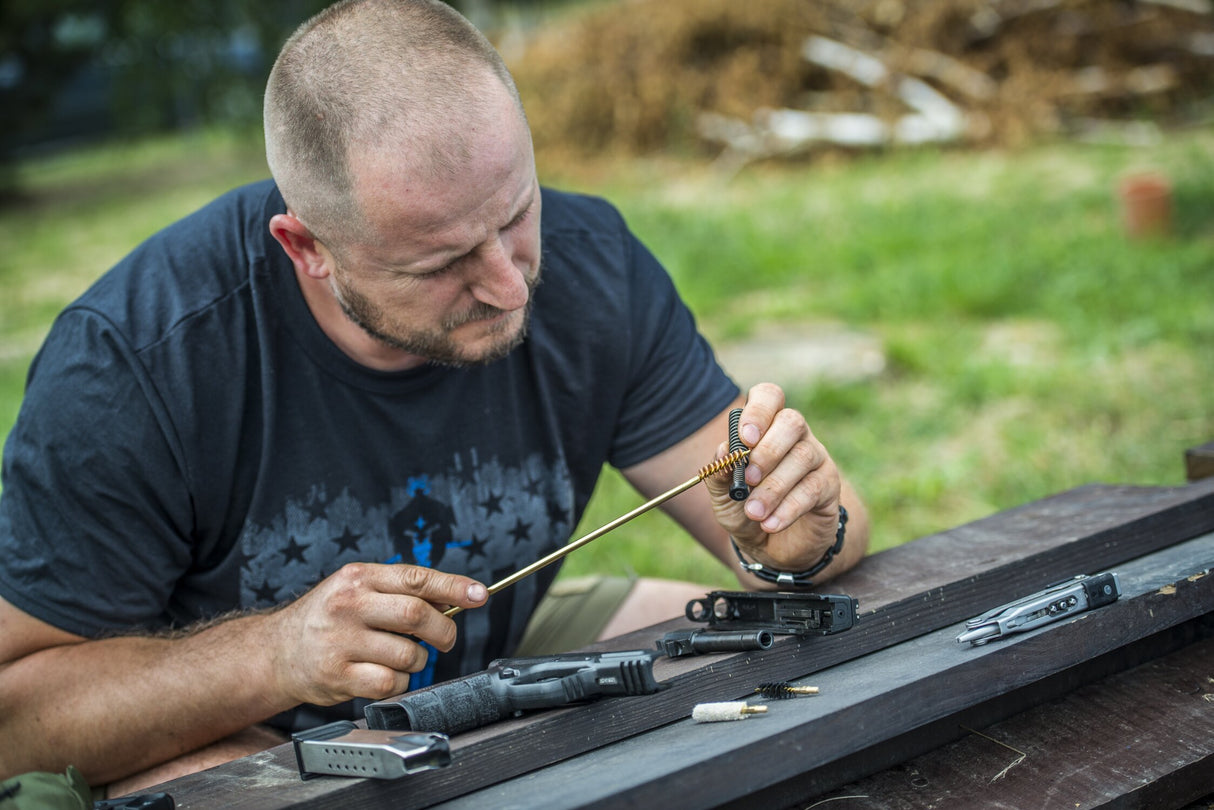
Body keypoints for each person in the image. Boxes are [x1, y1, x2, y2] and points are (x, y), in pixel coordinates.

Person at [0, 0, 869, 796]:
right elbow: (16, 721)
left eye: (516, 213)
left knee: (760, 662)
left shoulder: (591, 262)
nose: (507, 286)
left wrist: (795, 535)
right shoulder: (136, 364)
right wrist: (274, 654)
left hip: (502, 646)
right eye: (441, 263)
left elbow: (823, 542)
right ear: (308, 247)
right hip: (230, 717)